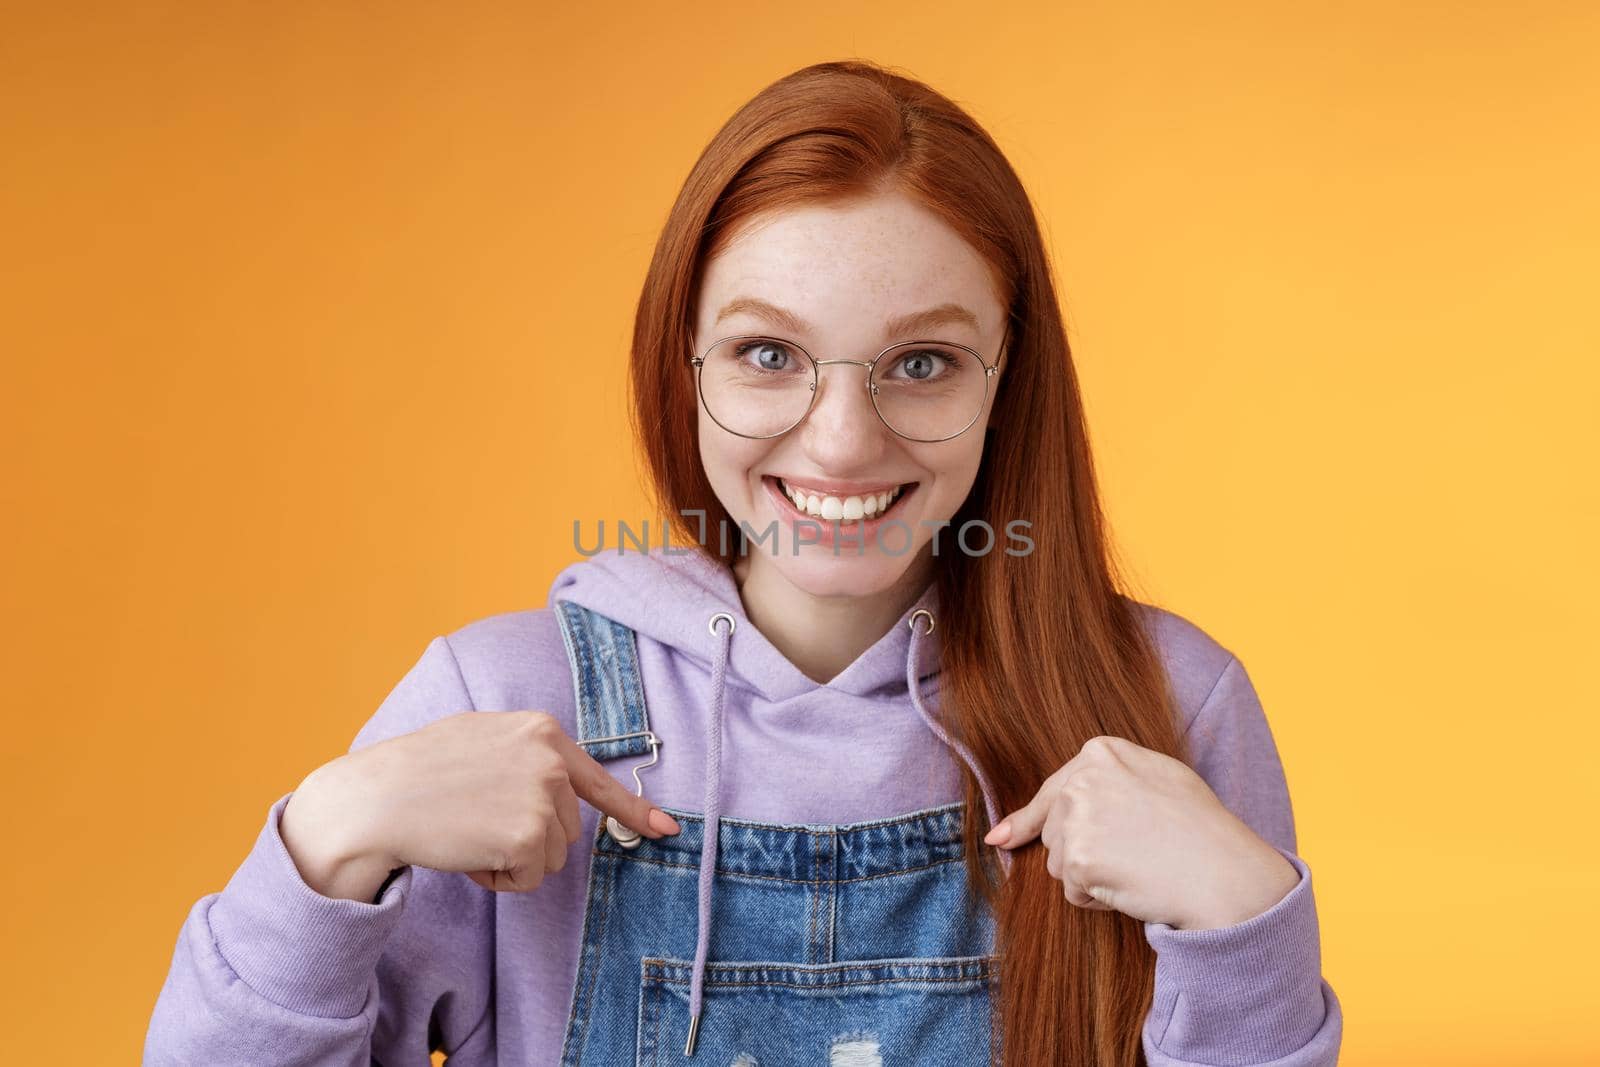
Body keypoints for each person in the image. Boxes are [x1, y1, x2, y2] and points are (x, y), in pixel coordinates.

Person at [145, 59, 1342, 1066]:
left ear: (1005, 380)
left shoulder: (1168, 707)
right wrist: (329, 833)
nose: (840, 438)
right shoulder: (508, 703)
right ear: (687, 366)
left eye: (920, 362)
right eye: (768, 352)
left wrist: (1247, 926)